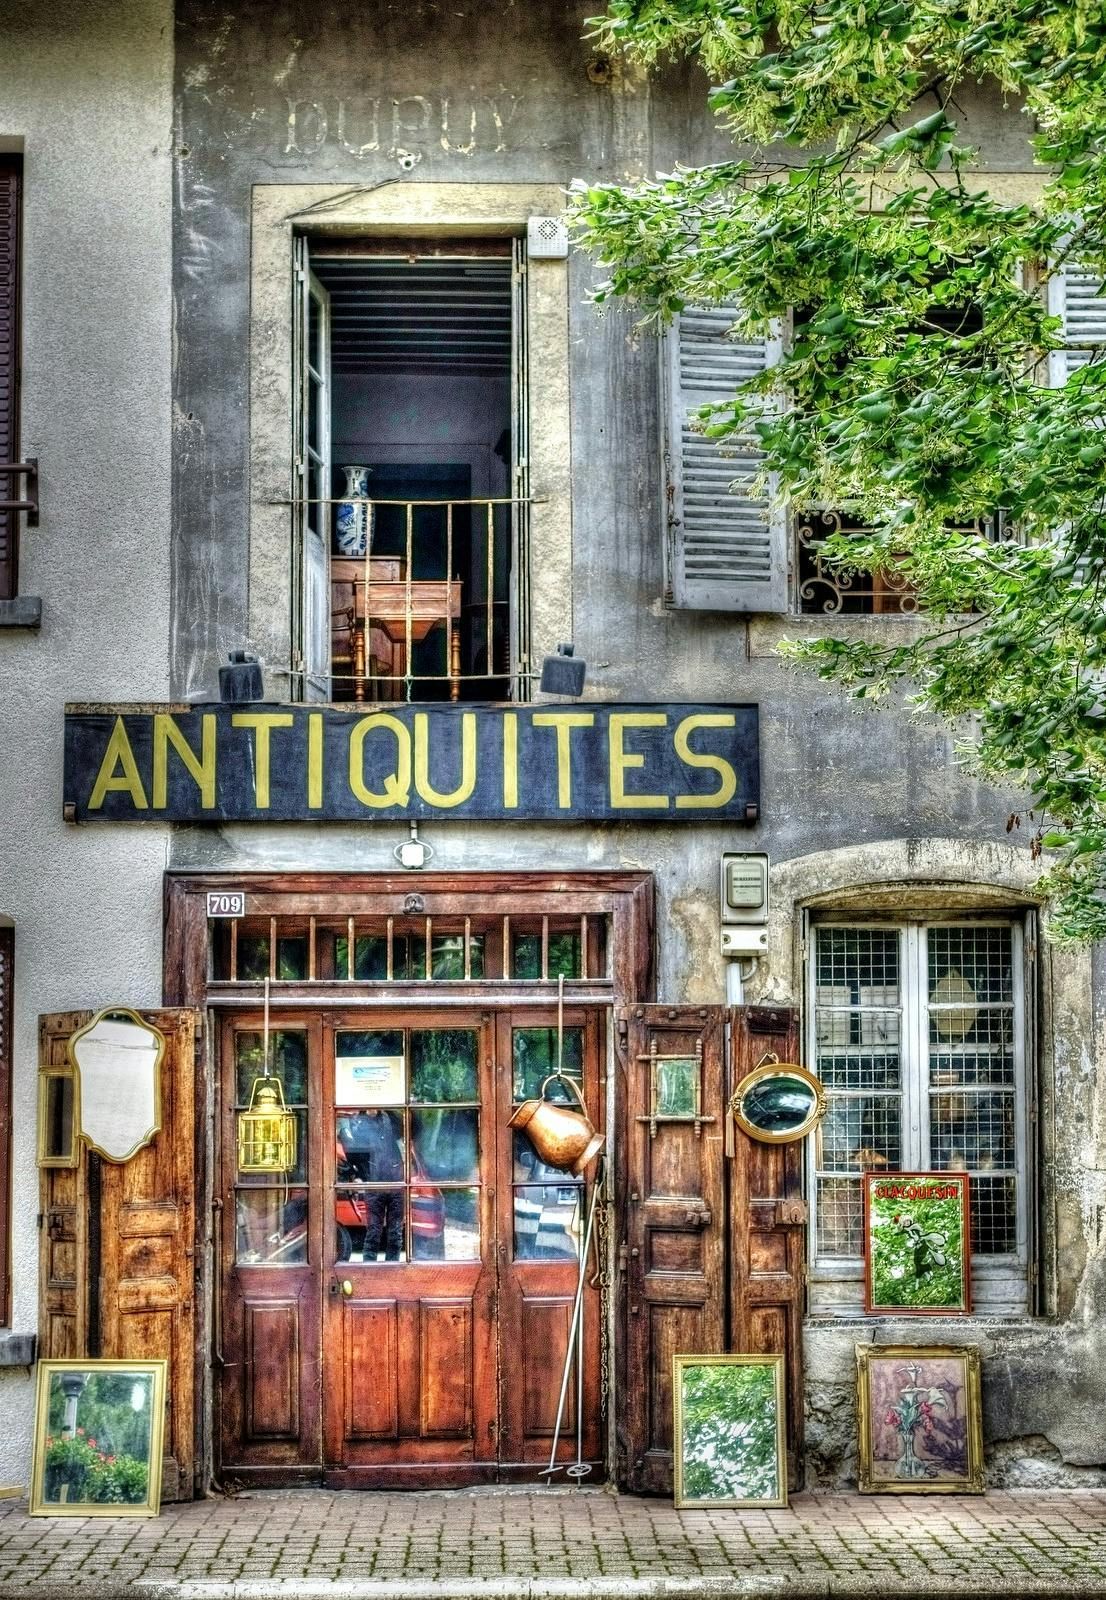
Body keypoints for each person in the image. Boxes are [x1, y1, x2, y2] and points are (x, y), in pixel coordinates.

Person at [340, 1109, 405, 1260]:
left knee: (395, 1233)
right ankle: (369, 1268)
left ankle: (392, 1269)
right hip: (375, 1183)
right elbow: (352, 1152)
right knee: (373, 1232)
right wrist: (361, 1175)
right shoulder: (356, 1124)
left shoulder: (390, 1119)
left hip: (395, 1182)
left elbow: (406, 1130)